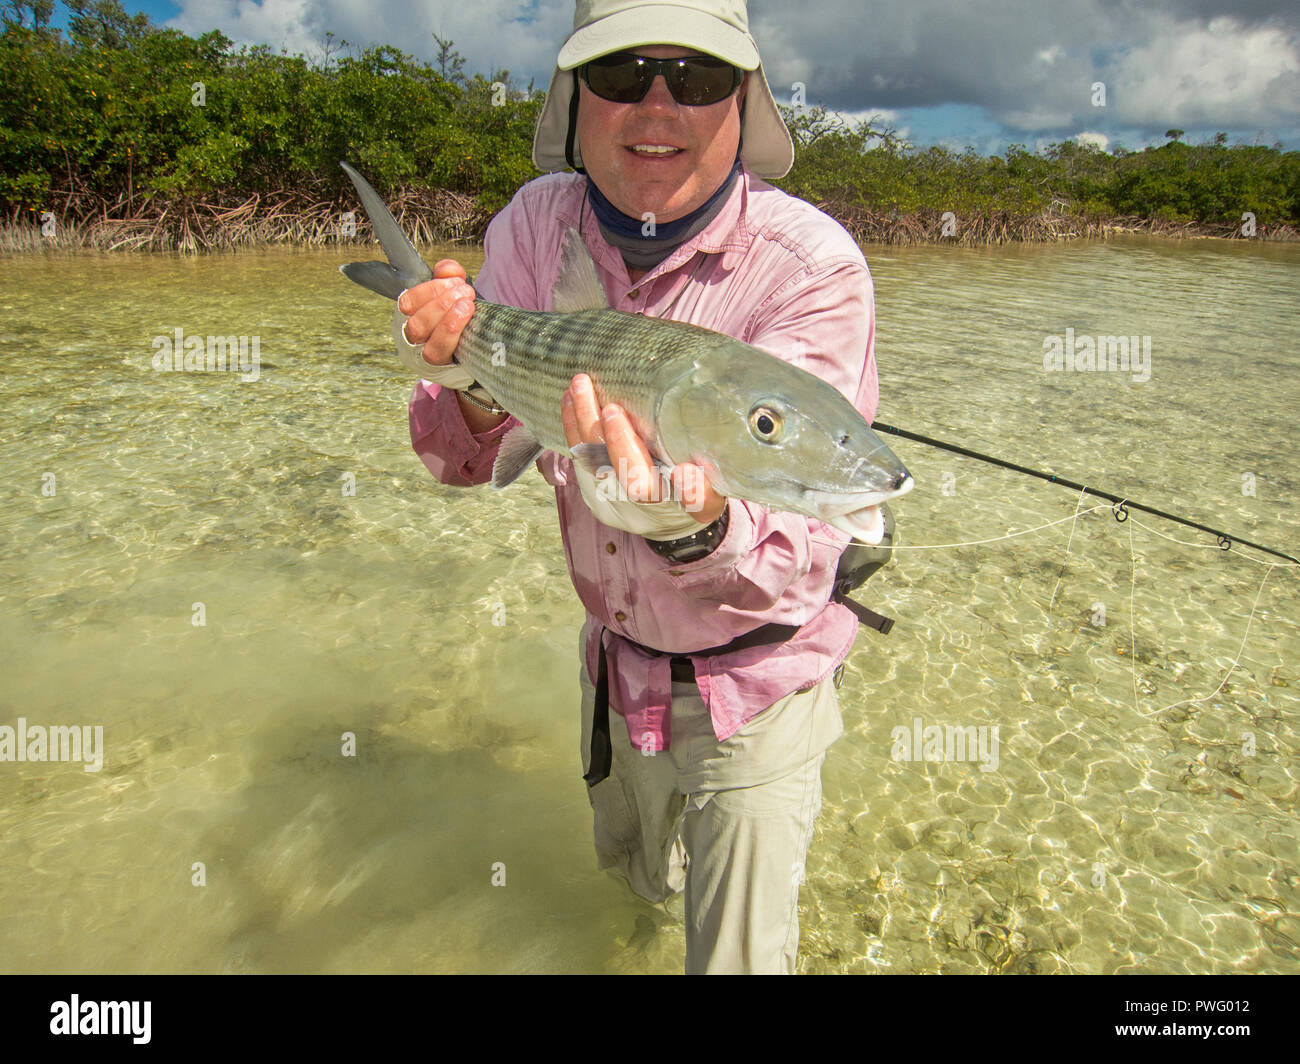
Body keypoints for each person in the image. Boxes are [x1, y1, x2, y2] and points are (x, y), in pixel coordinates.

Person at [394, 0, 880, 974]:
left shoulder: (814, 268)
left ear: (743, 102)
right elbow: (456, 458)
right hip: (614, 671)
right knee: (628, 883)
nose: (658, 104)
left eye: (696, 77)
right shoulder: (535, 224)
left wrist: (693, 527)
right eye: (622, 74)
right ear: (578, 100)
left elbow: (806, 547)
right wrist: (470, 378)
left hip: (761, 686)